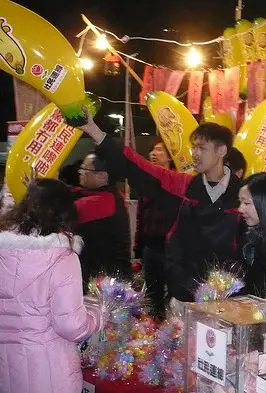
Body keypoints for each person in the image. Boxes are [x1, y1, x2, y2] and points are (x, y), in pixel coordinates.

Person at [78, 116, 241, 303]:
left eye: (202, 148)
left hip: (230, 298)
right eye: (193, 147)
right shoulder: (183, 187)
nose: (194, 153)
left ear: (221, 150)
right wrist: (94, 131)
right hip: (185, 297)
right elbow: (138, 167)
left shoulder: (243, 195)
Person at [0, 179, 104, 393]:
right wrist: (98, 314)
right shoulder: (61, 256)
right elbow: (71, 325)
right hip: (48, 367)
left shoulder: (4, 250)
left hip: (6, 364)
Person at [73, 151, 132, 290]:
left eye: (85, 169)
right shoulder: (106, 195)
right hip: (100, 278)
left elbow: (68, 211)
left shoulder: (105, 202)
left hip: (106, 285)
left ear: (102, 176)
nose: (80, 172)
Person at [135, 138, 176, 320]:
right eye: (152, 150)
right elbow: (140, 216)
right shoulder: (146, 182)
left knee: (175, 293)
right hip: (151, 246)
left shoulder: (178, 181)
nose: (153, 153)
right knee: (153, 294)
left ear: (170, 157)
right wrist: (138, 247)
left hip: (172, 248)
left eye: (159, 150)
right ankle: (156, 329)